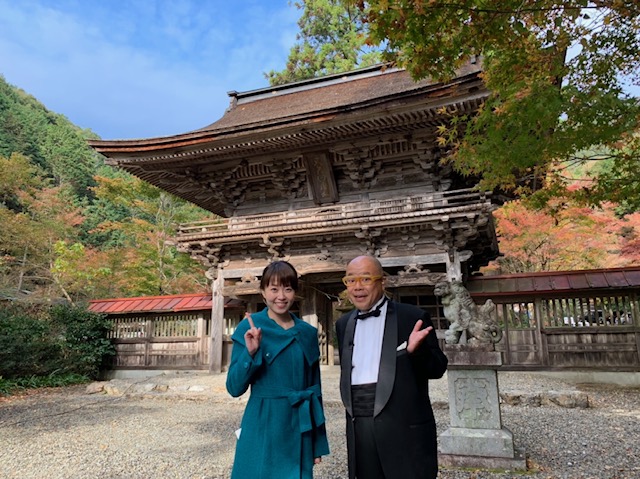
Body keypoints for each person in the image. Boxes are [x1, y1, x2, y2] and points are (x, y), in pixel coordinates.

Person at [335, 255, 448, 479]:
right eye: (351, 280)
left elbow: (437, 369)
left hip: (404, 427)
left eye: (366, 279)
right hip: (360, 427)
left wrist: (416, 352)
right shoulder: (343, 324)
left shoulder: (411, 317)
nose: (357, 287)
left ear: (382, 281)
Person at [226, 260, 330, 479]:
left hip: (299, 424)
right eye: (274, 289)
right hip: (263, 420)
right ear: (263, 292)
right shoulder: (250, 327)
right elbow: (234, 388)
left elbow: (315, 390)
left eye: (288, 288)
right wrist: (250, 353)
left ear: (295, 292)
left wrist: (318, 441)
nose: (281, 296)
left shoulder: (307, 332)